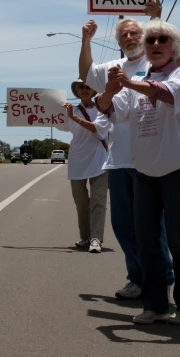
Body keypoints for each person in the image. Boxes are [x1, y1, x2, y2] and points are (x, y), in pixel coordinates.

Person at [96, 19, 180, 325]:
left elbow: (165, 94)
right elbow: (113, 111)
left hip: (179, 167)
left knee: (178, 238)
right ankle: (155, 304)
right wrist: (109, 90)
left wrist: (126, 82)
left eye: (162, 40)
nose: (156, 45)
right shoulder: (138, 79)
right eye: (151, 40)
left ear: (173, 48)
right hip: (145, 170)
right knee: (146, 237)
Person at [80, 0, 174, 300]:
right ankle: (137, 278)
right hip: (118, 161)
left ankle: (163, 277)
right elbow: (86, 74)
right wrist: (85, 40)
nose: (131, 38)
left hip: (150, 159)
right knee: (123, 225)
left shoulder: (155, 61)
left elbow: (164, 41)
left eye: (135, 33)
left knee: (152, 225)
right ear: (119, 42)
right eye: (125, 35)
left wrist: (156, 17)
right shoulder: (113, 68)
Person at [59, 79, 108, 254]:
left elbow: (98, 130)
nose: (85, 90)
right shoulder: (69, 110)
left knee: (98, 202)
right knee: (81, 203)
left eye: (88, 87)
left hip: (100, 161)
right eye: (81, 87)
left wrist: (75, 118)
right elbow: (43, 116)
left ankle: (96, 238)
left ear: (93, 91)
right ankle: (86, 236)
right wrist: (14, 111)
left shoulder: (103, 108)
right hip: (77, 161)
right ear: (77, 91)